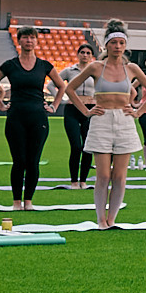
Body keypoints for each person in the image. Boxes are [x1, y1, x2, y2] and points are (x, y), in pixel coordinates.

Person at [67, 21, 146, 230]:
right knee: (103, 175)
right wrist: (86, 111)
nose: (118, 46)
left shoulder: (132, 68)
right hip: (101, 119)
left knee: (119, 175)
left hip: (124, 121)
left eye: (121, 43)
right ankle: (100, 219)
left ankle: (112, 218)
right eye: (114, 43)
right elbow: (70, 89)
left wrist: (138, 112)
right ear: (106, 45)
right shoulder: (96, 67)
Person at [0, 26, 71, 210]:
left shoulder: (44, 65)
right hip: (16, 117)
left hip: (38, 117)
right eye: (25, 38)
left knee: (33, 161)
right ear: (19, 41)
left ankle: (29, 201)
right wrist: (1, 105)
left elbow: (61, 86)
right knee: (19, 161)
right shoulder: (10, 65)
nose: (29, 41)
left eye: (32, 38)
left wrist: (55, 106)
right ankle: (16, 201)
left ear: (36, 41)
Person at [58, 39, 98, 189]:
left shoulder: (94, 71)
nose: (85, 55)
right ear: (78, 54)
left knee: (88, 146)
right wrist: (62, 99)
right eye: (82, 52)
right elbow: (52, 83)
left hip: (90, 109)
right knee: (76, 146)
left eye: (88, 53)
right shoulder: (69, 70)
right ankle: (74, 180)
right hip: (72, 109)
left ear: (92, 56)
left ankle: (83, 180)